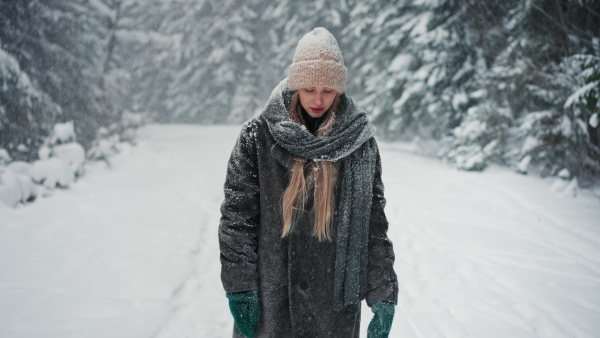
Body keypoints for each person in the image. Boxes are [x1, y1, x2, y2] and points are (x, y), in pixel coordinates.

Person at [219, 27, 398, 338]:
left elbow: (373, 225)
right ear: (296, 85)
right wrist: (240, 289)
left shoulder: (360, 145)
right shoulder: (256, 137)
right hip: (272, 304)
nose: (318, 99)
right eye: (309, 88)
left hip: (333, 309)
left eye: (328, 90)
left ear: (339, 90)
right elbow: (237, 221)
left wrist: (383, 295)